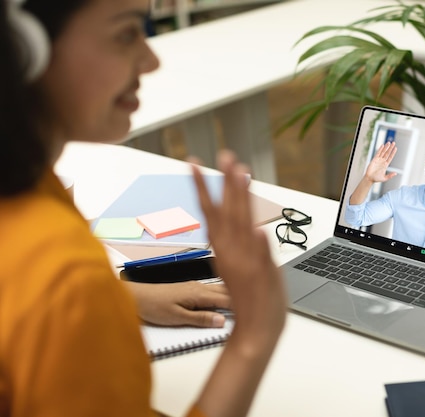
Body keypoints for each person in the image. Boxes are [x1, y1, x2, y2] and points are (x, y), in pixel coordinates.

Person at [0, 1, 286, 416]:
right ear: (25, 49)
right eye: (126, 33)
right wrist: (255, 334)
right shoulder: (64, 271)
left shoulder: (30, 189)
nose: (151, 60)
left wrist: (124, 295)